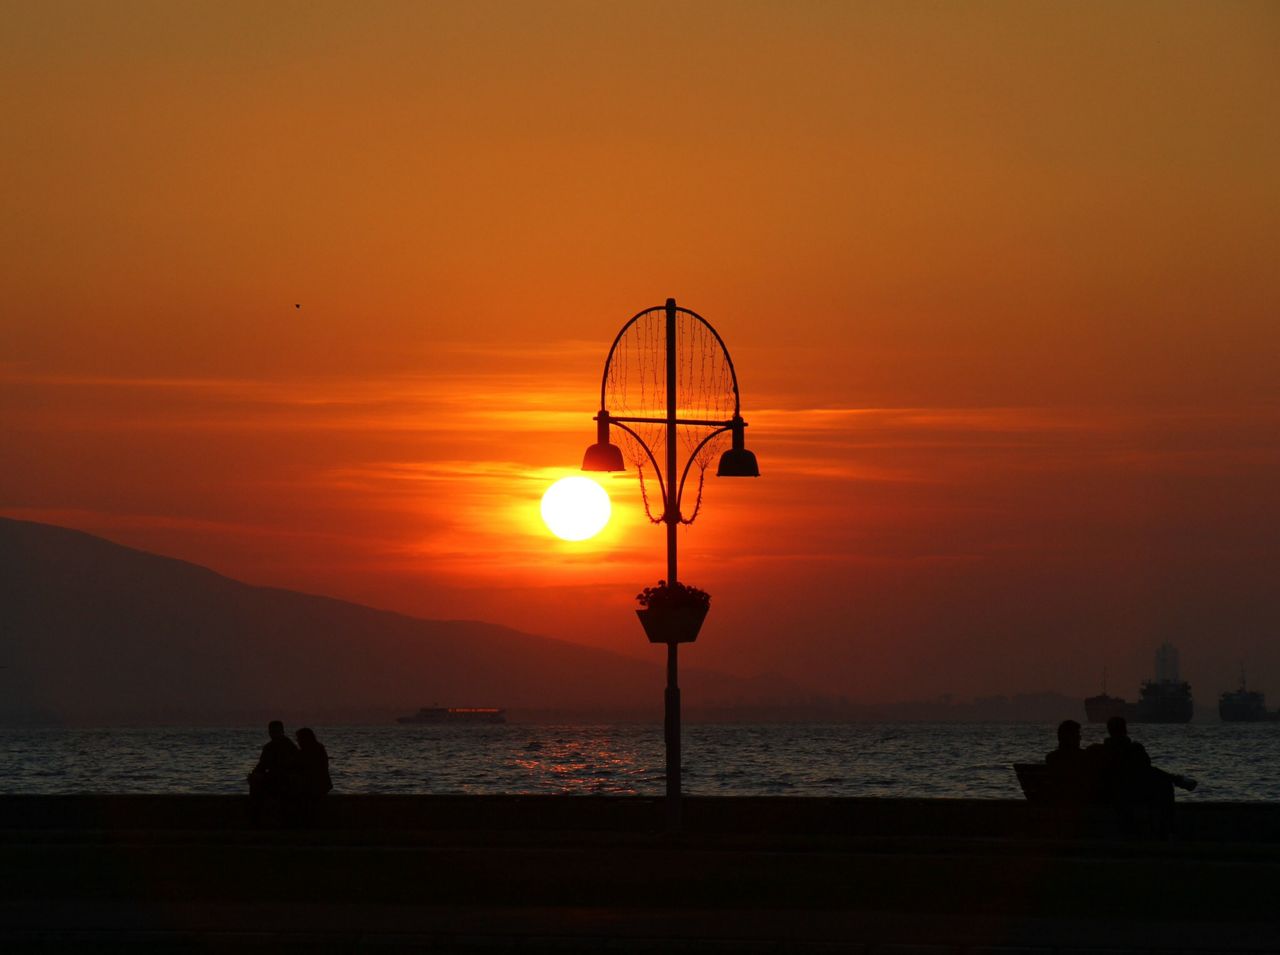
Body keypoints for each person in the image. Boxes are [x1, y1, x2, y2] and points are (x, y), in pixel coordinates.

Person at [1088, 716, 1196, 836]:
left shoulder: (1097, 751)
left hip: (1107, 795)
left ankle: (1177, 780)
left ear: (1109, 730)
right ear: (1125, 730)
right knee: (1164, 786)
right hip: (1131, 795)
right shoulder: (1134, 750)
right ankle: (1165, 832)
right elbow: (1147, 771)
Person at [247, 720, 299, 826]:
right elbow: (262, 765)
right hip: (274, 778)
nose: (273, 734)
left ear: (282, 731)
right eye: (271, 731)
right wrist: (254, 774)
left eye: (275, 731)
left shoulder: (288, 746)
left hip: (284, 779)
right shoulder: (269, 747)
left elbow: (292, 766)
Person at [1044, 719, 1096, 804]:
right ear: (1072, 738)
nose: (1080, 738)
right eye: (1077, 735)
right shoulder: (1085, 756)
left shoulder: (1051, 758)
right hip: (1081, 802)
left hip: (1058, 801)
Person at [293, 726, 333, 826]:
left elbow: (303, 768)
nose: (298, 741)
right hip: (322, 784)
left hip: (314, 785)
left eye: (299, 739)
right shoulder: (318, 748)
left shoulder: (307, 752)